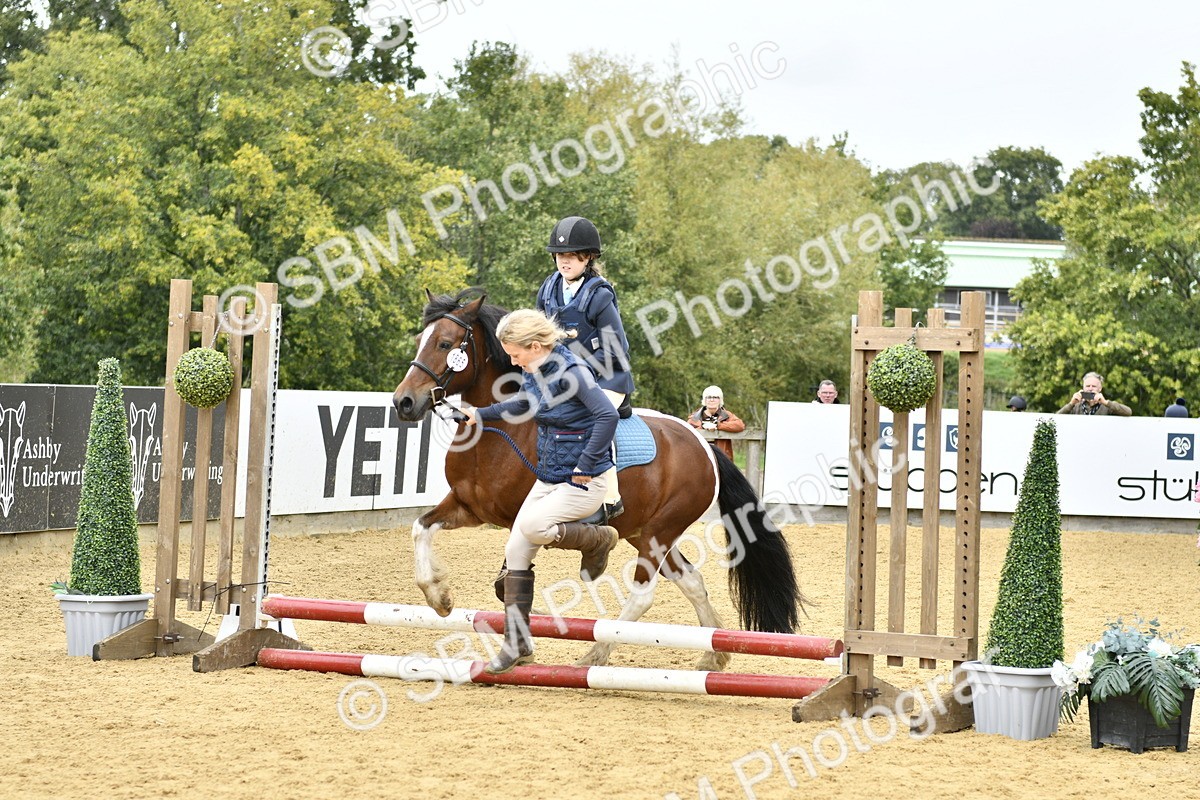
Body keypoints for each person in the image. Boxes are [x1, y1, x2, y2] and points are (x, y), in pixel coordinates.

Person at [463, 309, 619, 674]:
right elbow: (524, 404)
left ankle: (599, 539)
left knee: (533, 527)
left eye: (516, 354)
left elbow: (607, 416)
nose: (513, 362)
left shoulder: (573, 372)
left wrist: (586, 464)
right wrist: (481, 414)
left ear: (535, 346)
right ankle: (518, 644)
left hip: (583, 481)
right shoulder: (534, 370)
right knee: (515, 549)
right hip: (548, 478)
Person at [536, 216, 633, 522]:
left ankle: (610, 499)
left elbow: (617, 349)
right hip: (564, 378)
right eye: (560, 255)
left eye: (572, 255)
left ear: (587, 257)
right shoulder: (548, 289)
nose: (564, 261)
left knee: (593, 418)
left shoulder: (599, 295)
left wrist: (573, 370)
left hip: (608, 378)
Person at [688, 385, 745, 459]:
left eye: (715, 397)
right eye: (708, 397)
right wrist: (703, 427)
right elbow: (685, 432)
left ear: (720, 400)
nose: (712, 400)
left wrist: (717, 425)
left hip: (722, 457)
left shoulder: (726, 415)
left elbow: (740, 425)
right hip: (699, 456)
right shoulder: (695, 417)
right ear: (704, 400)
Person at [1056, 372, 1132, 416]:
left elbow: (1128, 412)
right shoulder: (1076, 406)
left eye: (1094, 386)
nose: (1090, 389)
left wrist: (1106, 402)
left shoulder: (1107, 406)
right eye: (1088, 386)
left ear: (1100, 388)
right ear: (1083, 388)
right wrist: (1071, 404)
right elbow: (1056, 418)